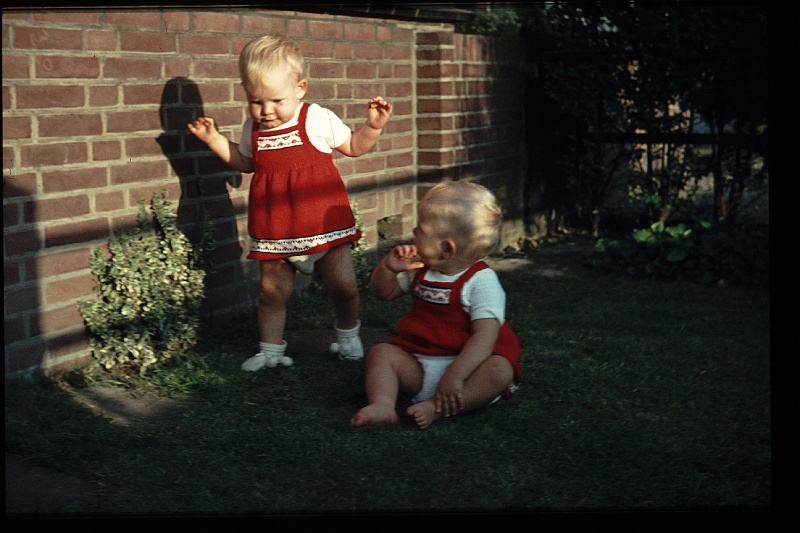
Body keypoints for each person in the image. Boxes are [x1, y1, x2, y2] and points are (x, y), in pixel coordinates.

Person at [188, 35, 392, 371]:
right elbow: (245, 162)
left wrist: (372, 127)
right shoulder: (252, 128)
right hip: (276, 229)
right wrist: (214, 139)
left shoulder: (316, 118)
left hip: (325, 226)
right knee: (271, 294)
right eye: (256, 101)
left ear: (300, 88)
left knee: (342, 286)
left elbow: (354, 146)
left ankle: (348, 337)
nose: (266, 111)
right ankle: (270, 350)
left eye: (276, 100)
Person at [350, 181, 522, 430]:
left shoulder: (482, 282)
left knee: (500, 370)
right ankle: (382, 405)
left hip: (468, 371)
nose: (414, 231)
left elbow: (485, 338)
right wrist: (387, 270)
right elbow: (382, 293)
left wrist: (455, 375)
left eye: (421, 230)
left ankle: (437, 408)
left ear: (446, 249)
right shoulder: (421, 269)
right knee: (381, 353)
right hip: (419, 363)